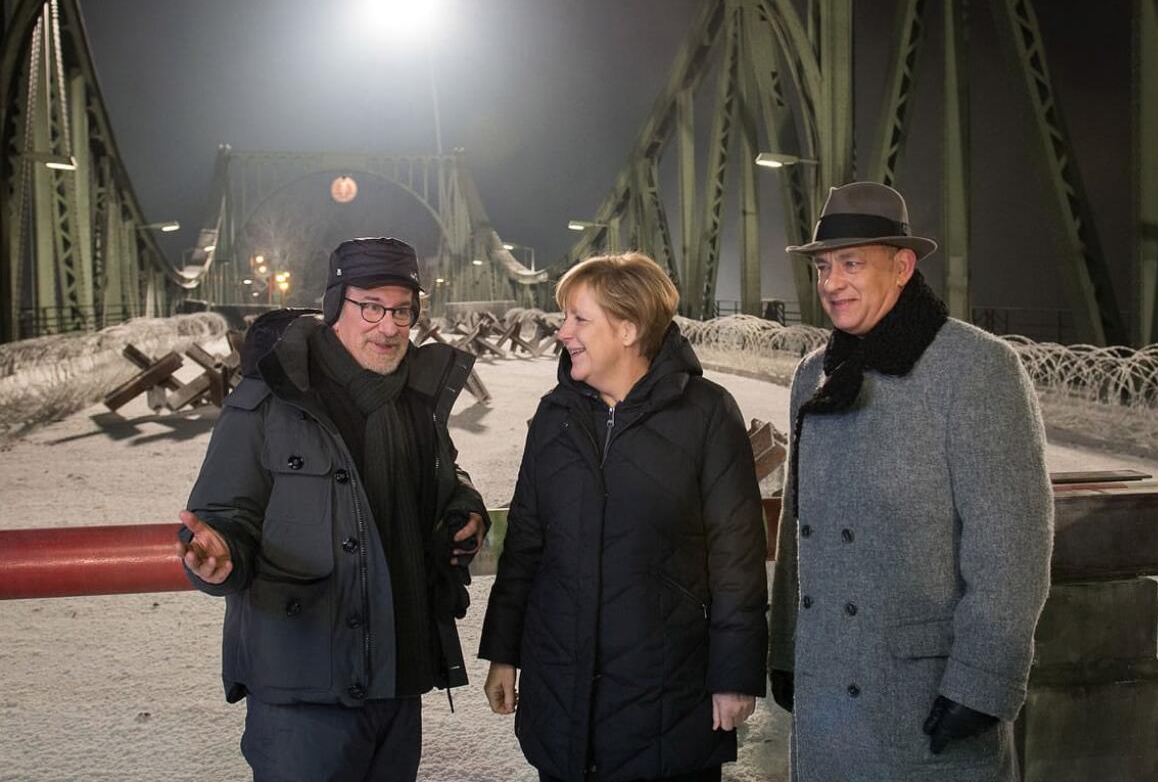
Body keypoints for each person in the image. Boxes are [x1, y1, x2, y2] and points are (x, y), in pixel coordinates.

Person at [768, 182, 1054, 781]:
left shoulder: (976, 369)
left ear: (902, 267)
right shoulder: (813, 374)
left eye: (851, 263)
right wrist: (788, 647)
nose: (831, 283)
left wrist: (983, 682)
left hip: (922, 698)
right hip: (827, 693)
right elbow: (800, 533)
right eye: (823, 266)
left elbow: (1012, 544)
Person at [176, 236, 488, 781]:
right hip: (305, 690)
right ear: (334, 306)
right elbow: (224, 514)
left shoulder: (419, 398)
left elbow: (444, 480)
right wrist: (220, 556)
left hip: (399, 675)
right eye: (371, 307)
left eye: (402, 311)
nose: (389, 327)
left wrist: (464, 505)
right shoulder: (268, 399)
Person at [479, 252, 768, 782]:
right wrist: (504, 653)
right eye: (563, 316)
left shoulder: (706, 413)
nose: (562, 331)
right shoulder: (554, 416)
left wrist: (735, 674)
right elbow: (525, 543)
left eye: (579, 318)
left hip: (666, 694)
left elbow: (737, 554)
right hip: (560, 689)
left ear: (629, 328)